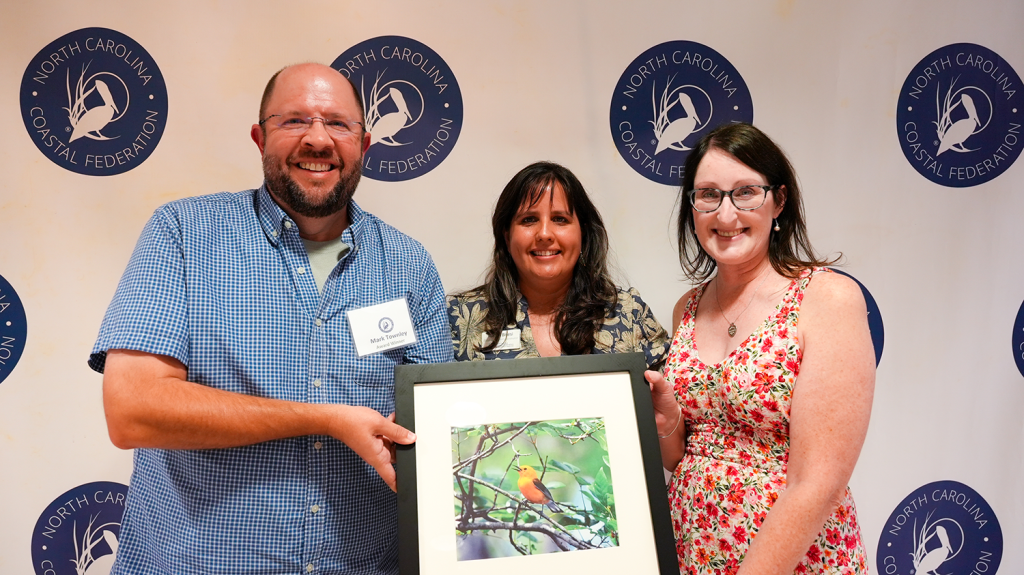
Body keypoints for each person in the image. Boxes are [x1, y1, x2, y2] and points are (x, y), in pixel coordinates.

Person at [89, 63, 452, 575]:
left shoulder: (408, 263)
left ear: (365, 144)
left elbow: (434, 426)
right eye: (295, 121)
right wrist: (324, 419)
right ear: (260, 138)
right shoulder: (185, 234)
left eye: (338, 124)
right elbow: (133, 409)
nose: (318, 140)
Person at [646, 123, 874, 573]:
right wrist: (671, 422)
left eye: (746, 192)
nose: (726, 214)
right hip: (695, 554)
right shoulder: (687, 308)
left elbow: (819, 483)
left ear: (779, 201)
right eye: (708, 194)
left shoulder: (826, 298)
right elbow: (681, 458)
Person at [447, 161, 667, 368]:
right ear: (506, 236)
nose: (544, 234)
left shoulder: (628, 313)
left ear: (583, 233)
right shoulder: (459, 318)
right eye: (529, 220)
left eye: (560, 219)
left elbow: (667, 404)